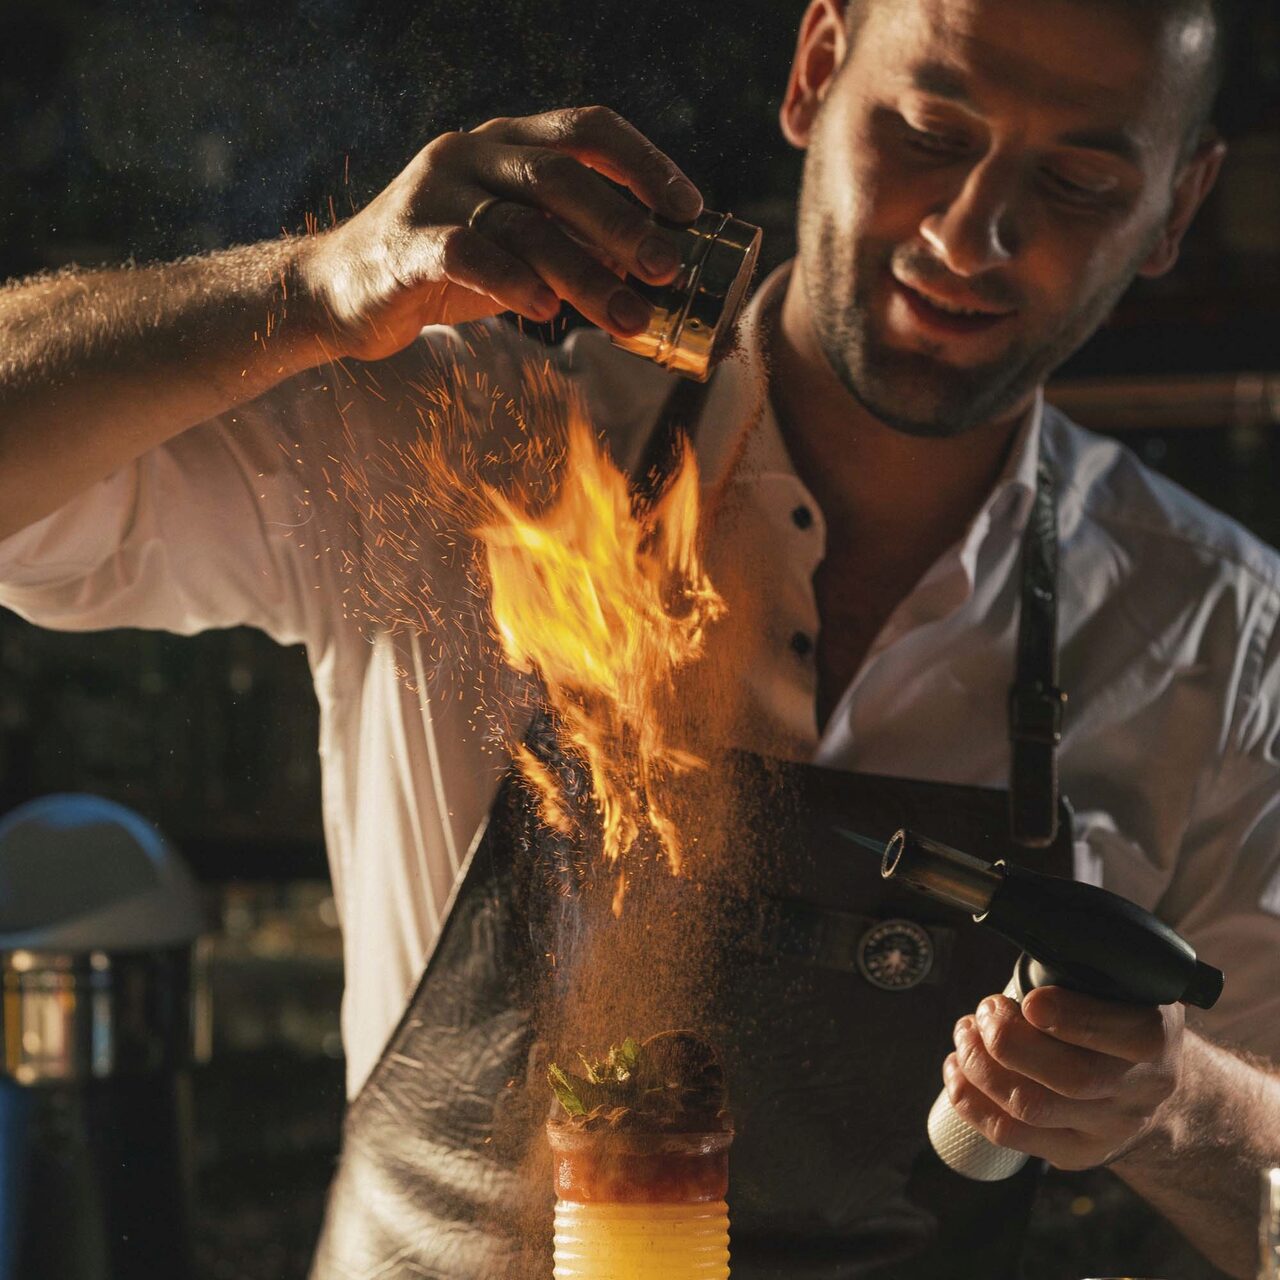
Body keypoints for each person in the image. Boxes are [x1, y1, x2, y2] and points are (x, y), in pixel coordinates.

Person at [2, 0, 1278, 1276]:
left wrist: (1176, 1104)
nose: (967, 231)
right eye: (927, 131)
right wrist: (305, 293)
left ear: (1177, 205)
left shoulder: (1217, 634)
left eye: (1075, 181)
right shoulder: (472, 441)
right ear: (815, 73)